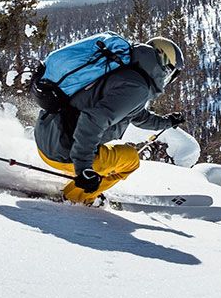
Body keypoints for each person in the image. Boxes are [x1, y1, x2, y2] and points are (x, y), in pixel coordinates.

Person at [34, 36, 186, 203]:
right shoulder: (137, 87)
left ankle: (84, 179)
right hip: (61, 151)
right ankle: (77, 197)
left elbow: (136, 115)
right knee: (130, 160)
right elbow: (92, 120)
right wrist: (84, 168)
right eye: (170, 72)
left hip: (48, 136)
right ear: (163, 64)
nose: (167, 78)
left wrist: (167, 122)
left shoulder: (126, 74)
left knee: (114, 151)